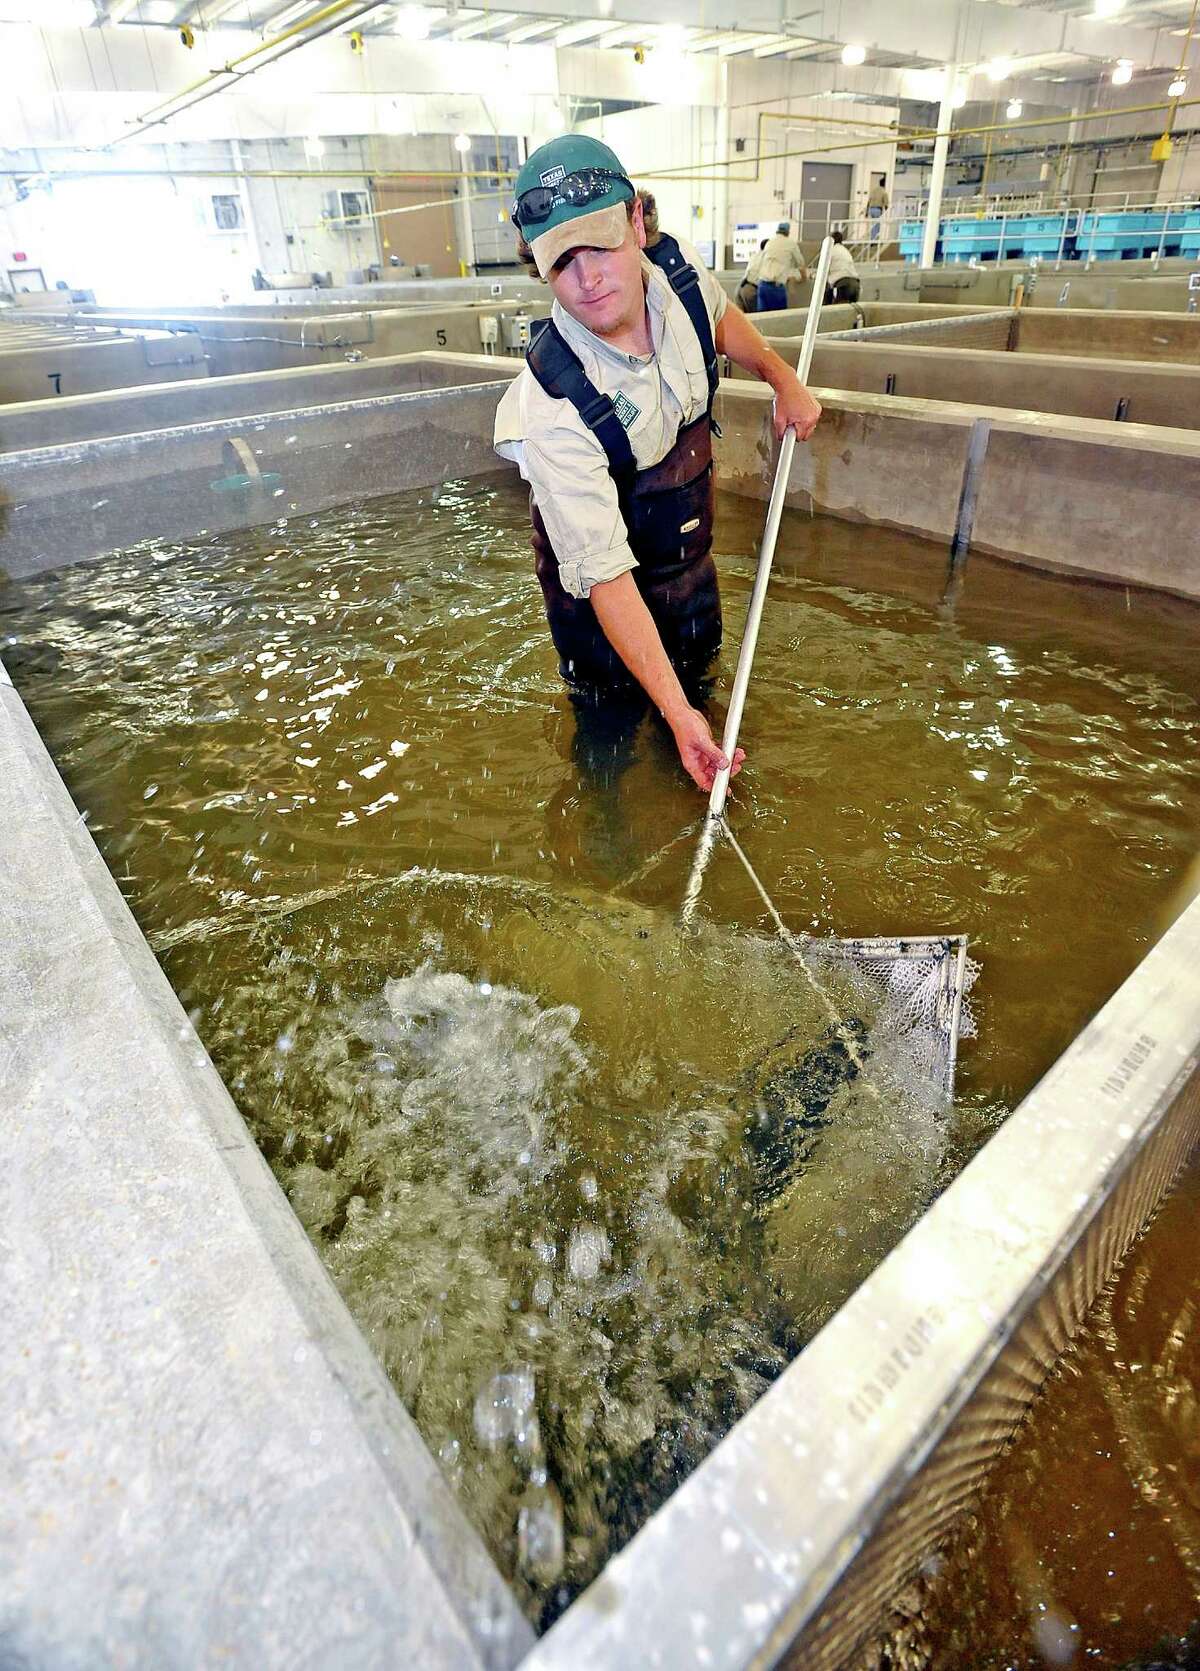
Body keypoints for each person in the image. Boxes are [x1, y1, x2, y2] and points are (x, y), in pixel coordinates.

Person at [494, 135, 822, 793]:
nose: (588, 278)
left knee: (700, 686)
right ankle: (607, 838)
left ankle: (696, 774)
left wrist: (781, 375)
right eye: (563, 262)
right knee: (608, 735)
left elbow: (719, 316)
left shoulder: (676, 278)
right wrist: (675, 716)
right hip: (598, 602)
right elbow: (608, 578)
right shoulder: (553, 407)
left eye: (601, 244)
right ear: (540, 270)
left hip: (686, 567)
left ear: (638, 222)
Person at [755, 221, 807, 312]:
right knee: (778, 319)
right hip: (776, 287)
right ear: (788, 232)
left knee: (762, 318)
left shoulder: (769, 243)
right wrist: (804, 278)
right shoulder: (791, 244)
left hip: (762, 285)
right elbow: (801, 264)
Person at [823, 230, 860, 304]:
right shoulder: (845, 251)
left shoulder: (830, 250)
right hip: (856, 284)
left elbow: (823, 271)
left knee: (836, 310)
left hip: (843, 284)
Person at [737, 237, 768, 312]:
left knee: (746, 319)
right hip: (752, 290)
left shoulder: (755, 255)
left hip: (742, 288)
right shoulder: (767, 257)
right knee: (757, 319)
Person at [867, 174, 889, 241]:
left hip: (871, 209)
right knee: (877, 226)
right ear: (885, 184)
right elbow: (886, 204)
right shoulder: (884, 192)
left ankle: (872, 238)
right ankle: (873, 240)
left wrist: (866, 211)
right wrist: (887, 213)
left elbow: (869, 201)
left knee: (873, 225)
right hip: (877, 209)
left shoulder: (874, 190)